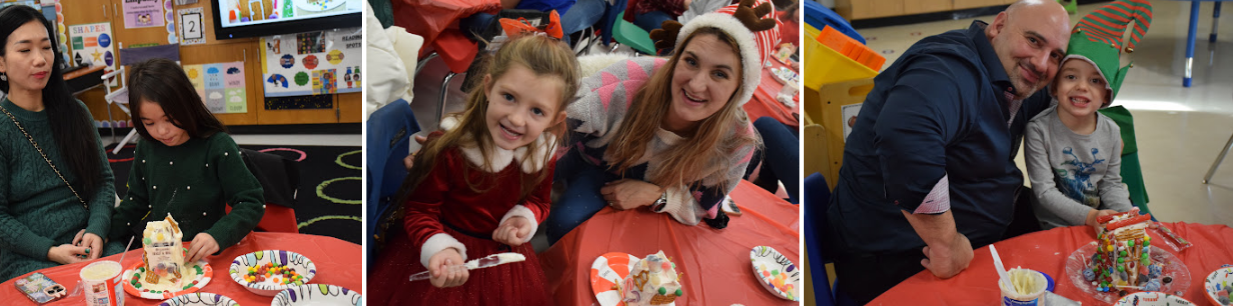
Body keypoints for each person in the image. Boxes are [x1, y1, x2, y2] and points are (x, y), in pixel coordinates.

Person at [824, 0, 1071, 303]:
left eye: (1056, 55)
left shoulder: (1016, 74)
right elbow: (905, 142)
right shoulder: (948, 68)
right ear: (999, 26)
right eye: (1033, 40)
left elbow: (1071, 100)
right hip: (896, 254)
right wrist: (946, 243)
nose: (1042, 62)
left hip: (973, 229)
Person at [366, 34, 579, 305]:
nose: (516, 118)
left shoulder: (542, 153)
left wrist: (525, 219)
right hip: (445, 253)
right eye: (509, 97)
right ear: (489, 87)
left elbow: (539, 200)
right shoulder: (452, 149)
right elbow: (420, 210)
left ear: (556, 118)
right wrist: (438, 249)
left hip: (502, 261)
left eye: (537, 111)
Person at [543, 1, 776, 244]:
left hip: (647, 187)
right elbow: (557, 126)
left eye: (719, 74)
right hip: (588, 154)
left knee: (579, 228)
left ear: (740, 88)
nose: (695, 85)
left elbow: (703, 205)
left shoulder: (736, 142)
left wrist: (658, 196)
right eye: (691, 61)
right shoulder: (629, 80)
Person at [0, 5, 118, 281]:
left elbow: (102, 182)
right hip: (31, 257)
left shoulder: (75, 112)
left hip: (92, 243)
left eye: (46, 47)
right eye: (25, 50)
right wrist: (49, 250)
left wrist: (97, 229)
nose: (40, 60)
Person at [107, 58, 265, 263]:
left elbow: (251, 202)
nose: (162, 131)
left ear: (187, 104)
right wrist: (104, 231)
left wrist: (218, 235)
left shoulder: (217, 145)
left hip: (206, 255)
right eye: (149, 123)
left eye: (170, 118)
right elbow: (136, 201)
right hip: (162, 256)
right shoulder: (146, 147)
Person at [1025, 1, 1151, 231]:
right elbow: (1045, 192)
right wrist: (1092, 216)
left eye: (1095, 81)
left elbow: (1111, 185)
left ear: (1107, 95)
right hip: (1053, 227)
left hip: (1101, 223)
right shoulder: (1038, 130)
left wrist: (1125, 218)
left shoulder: (1111, 131)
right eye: (1071, 77)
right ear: (1054, 87)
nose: (1082, 87)